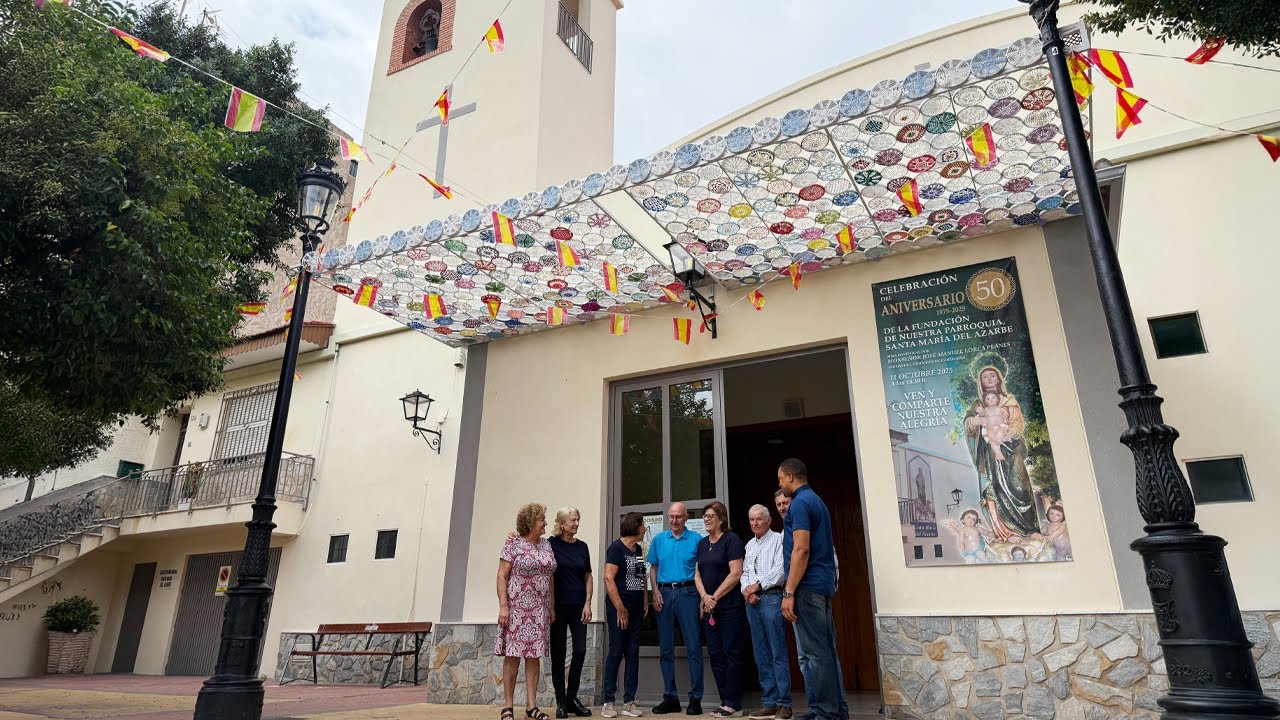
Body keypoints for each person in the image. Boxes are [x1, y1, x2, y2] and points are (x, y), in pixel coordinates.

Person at [773, 490, 847, 720]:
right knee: (810, 656)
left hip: (807, 592)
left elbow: (805, 552)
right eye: (779, 504)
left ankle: (829, 713)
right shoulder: (812, 506)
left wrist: (789, 592)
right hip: (811, 592)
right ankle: (821, 709)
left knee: (818, 655)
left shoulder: (803, 507)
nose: (784, 507)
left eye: (786, 502)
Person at [496, 503, 558, 720]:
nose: (546, 523)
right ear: (531, 522)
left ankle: (532, 706)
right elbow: (502, 576)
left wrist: (551, 606)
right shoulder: (512, 544)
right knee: (513, 656)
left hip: (539, 610)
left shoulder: (547, 546)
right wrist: (504, 606)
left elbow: (550, 576)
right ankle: (508, 706)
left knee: (534, 657)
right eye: (542, 519)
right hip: (516, 608)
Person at [962, 365, 1038, 541]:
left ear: (998, 379)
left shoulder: (1008, 400)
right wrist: (975, 420)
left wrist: (1009, 432)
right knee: (994, 488)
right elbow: (969, 425)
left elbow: (1018, 422)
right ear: (980, 381)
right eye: (985, 377)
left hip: (1010, 448)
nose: (988, 379)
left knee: (1021, 487)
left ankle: (1028, 529)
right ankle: (1005, 533)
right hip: (989, 453)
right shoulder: (978, 404)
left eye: (992, 375)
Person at [648, 501, 704, 715]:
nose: (674, 520)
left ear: (686, 517)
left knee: (693, 647)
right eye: (671, 516)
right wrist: (655, 592)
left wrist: (701, 597)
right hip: (664, 595)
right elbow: (653, 568)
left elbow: (701, 571)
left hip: (688, 594)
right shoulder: (659, 539)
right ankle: (670, 697)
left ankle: (696, 698)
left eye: (678, 517)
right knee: (666, 649)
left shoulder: (696, 540)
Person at [695, 502, 746, 718]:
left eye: (711, 516)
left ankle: (733, 703)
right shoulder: (702, 543)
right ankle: (725, 700)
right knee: (715, 655)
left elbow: (736, 573)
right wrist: (705, 597)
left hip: (730, 608)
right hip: (710, 609)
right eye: (705, 516)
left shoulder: (731, 540)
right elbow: (696, 573)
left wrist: (714, 596)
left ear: (721, 519)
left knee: (732, 654)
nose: (706, 519)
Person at [741, 504, 791, 720]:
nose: (755, 523)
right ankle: (769, 702)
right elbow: (744, 572)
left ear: (769, 520)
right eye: (752, 520)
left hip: (771, 598)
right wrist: (747, 590)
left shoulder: (779, 539)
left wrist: (757, 585)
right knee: (761, 653)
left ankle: (784, 704)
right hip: (752, 602)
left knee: (777, 652)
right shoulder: (749, 545)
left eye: (759, 519)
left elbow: (781, 570)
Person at [601, 512, 649, 719]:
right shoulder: (616, 549)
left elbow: (640, 576)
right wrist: (620, 607)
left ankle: (629, 701)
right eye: (642, 525)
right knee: (616, 651)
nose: (645, 528)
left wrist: (646, 599)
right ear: (634, 526)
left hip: (637, 608)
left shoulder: (637, 548)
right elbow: (608, 579)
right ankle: (608, 702)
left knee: (633, 653)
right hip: (619, 609)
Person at [549, 507, 594, 718]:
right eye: (573, 520)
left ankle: (571, 697)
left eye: (578, 519)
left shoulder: (582, 547)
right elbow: (528, 543)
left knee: (581, 650)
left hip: (578, 607)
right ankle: (561, 702)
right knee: (558, 654)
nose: (576, 523)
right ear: (562, 523)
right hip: (557, 608)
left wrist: (588, 603)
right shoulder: (550, 544)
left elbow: (588, 577)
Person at [977, 391, 1012, 461]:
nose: (991, 400)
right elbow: (982, 413)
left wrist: (1005, 415)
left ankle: (999, 439)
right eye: (988, 399)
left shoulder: (1000, 409)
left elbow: (1006, 414)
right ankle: (998, 453)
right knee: (992, 439)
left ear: (997, 400)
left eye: (993, 398)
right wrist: (980, 411)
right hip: (990, 428)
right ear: (985, 402)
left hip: (1000, 426)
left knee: (999, 432)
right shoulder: (986, 410)